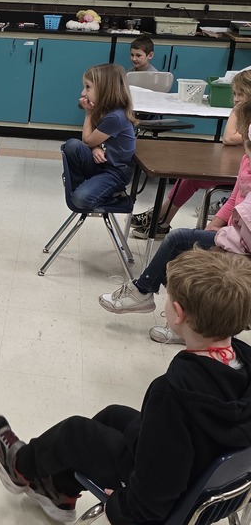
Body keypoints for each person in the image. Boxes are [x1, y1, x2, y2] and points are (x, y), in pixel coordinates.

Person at [0, 248, 251, 525]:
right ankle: (59, 490)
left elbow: (158, 491)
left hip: (168, 501)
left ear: (177, 314)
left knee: (76, 432)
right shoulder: (242, 361)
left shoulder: (173, 394)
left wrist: (122, 506)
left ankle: (19, 467)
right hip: (210, 483)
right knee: (114, 415)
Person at [99, 99, 251, 344]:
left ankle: (145, 293)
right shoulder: (247, 159)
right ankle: (186, 324)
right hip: (234, 236)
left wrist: (221, 241)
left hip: (240, 245)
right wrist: (217, 224)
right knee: (185, 247)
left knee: (181, 242)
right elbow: (235, 197)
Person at [130, 68, 251, 240]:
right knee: (187, 179)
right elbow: (228, 138)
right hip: (235, 166)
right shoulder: (239, 111)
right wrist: (241, 123)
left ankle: (159, 217)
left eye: (241, 94)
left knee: (192, 179)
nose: (236, 99)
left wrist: (244, 134)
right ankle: (160, 219)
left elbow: (232, 138)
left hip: (243, 174)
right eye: (234, 93)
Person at [62, 63, 136, 211]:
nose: (84, 92)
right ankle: (87, 185)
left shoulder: (115, 117)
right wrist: (96, 148)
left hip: (115, 174)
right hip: (103, 164)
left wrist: (88, 114)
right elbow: (94, 139)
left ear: (104, 89)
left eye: (88, 87)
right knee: (72, 146)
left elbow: (88, 140)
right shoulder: (107, 109)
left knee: (79, 199)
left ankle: (114, 195)